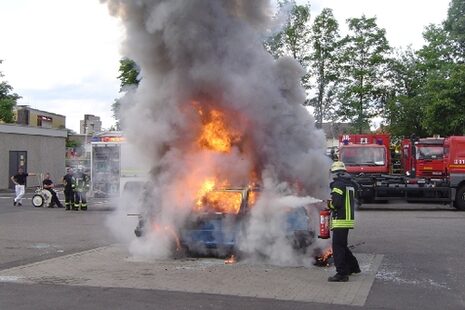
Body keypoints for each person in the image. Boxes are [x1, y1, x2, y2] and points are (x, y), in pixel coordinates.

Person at [327, 161, 361, 282]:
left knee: (337, 248)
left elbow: (336, 203)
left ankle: (341, 274)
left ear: (335, 173)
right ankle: (354, 267)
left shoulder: (337, 185)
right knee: (342, 245)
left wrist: (329, 204)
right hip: (348, 218)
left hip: (340, 219)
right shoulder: (351, 184)